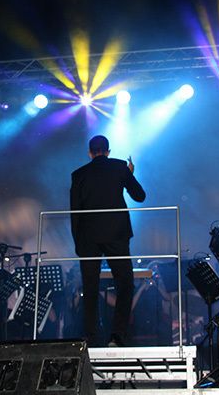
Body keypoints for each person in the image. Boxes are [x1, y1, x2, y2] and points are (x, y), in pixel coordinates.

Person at [70, 135, 146, 346]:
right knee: (125, 284)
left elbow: (74, 212)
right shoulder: (120, 167)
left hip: (88, 237)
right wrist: (130, 174)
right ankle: (117, 335)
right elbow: (140, 196)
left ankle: (91, 337)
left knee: (90, 287)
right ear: (108, 151)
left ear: (90, 153)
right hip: (116, 233)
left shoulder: (79, 174)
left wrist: (78, 243)